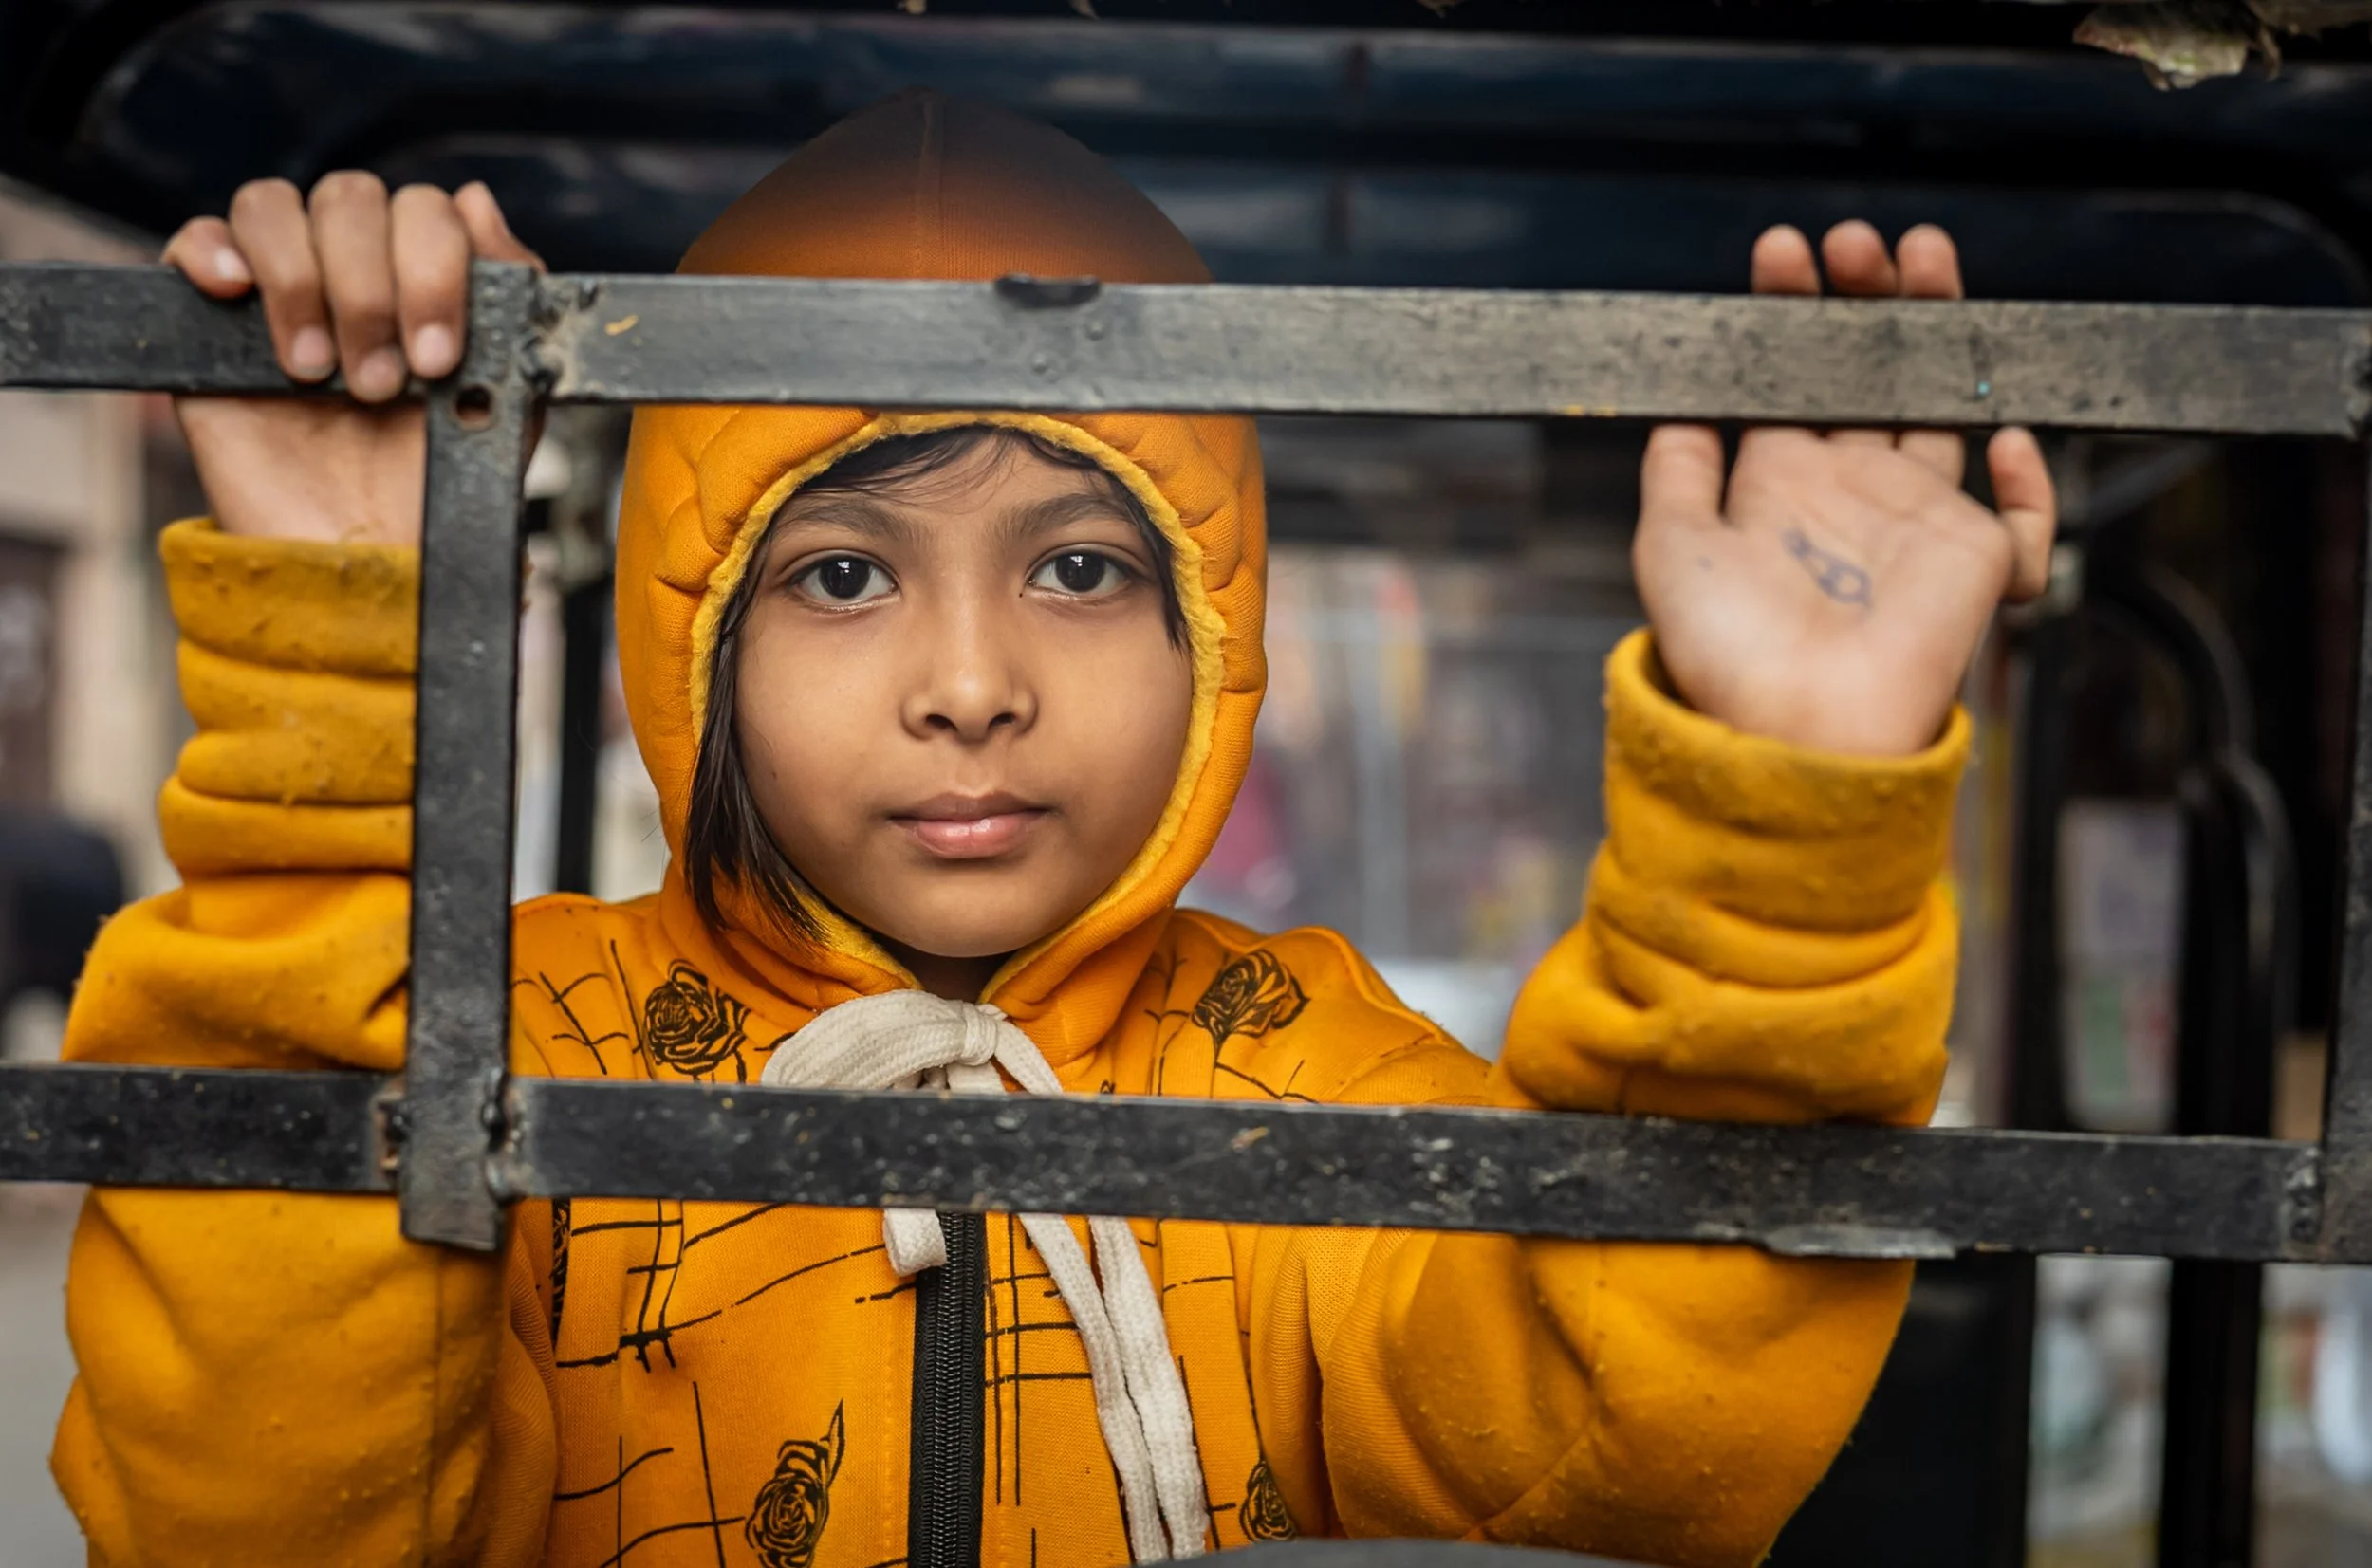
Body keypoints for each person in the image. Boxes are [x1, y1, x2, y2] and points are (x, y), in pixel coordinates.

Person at [52, 93, 2053, 1568]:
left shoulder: (1306, 1066)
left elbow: (1623, 1441)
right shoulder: (515, 1034)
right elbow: (251, 1515)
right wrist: (345, 669)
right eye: (839, 574)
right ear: (693, 628)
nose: (970, 681)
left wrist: (1780, 806)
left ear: (1215, 620)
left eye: (1082, 566)